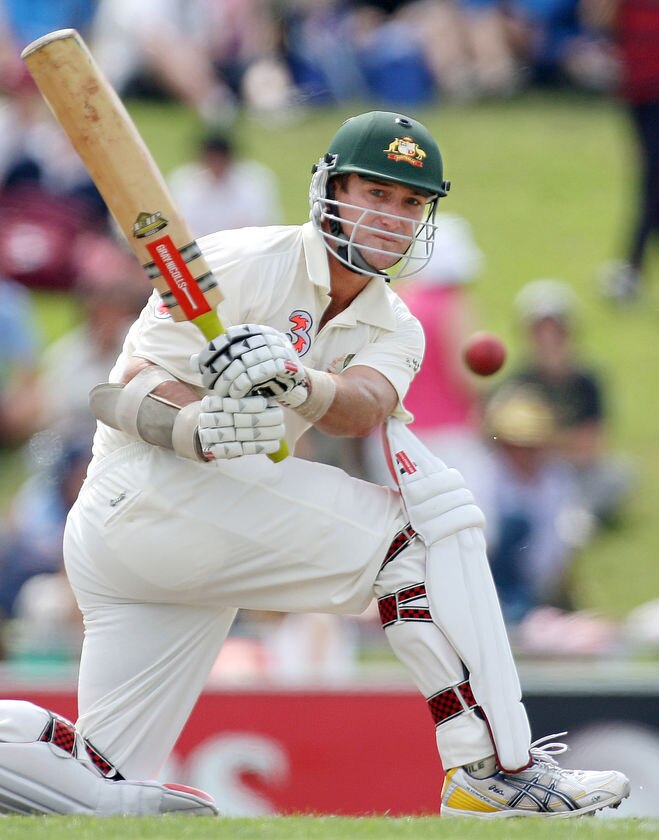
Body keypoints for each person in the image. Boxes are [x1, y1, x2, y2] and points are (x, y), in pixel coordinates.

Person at [0, 111, 629, 817]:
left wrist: (298, 382)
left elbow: (364, 406)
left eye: (410, 202)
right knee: (423, 535)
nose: (392, 216)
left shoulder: (396, 325)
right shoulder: (236, 262)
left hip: (201, 539)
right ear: (330, 191)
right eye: (375, 193)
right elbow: (121, 392)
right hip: (148, 498)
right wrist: (194, 424)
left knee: (99, 779)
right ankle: (492, 768)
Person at [506, 277, 634, 526]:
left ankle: (575, 516)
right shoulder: (518, 382)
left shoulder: (587, 381)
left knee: (618, 474)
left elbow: (591, 446)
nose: (548, 338)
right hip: (535, 474)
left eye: (555, 330)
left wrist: (542, 440)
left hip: (575, 471)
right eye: (540, 330)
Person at [167, 130, 284, 238]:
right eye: (212, 160)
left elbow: (266, 225)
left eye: (220, 161)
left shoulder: (254, 182)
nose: (216, 166)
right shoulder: (183, 182)